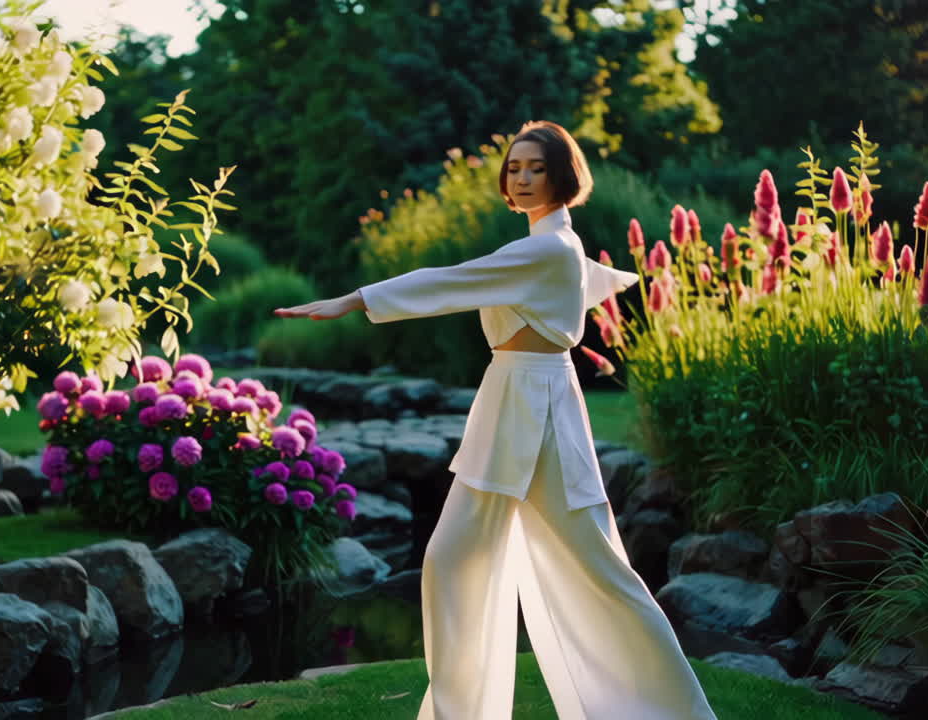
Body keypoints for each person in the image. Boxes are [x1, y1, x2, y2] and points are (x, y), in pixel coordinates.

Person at [274, 120, 717, 720]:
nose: (524, 177)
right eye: (515, 168)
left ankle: (671, 710)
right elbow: (576, 284)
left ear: (564, 176)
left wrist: (354, 300)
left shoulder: (546, 248)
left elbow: (453, 281)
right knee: (461, 560)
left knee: (593, 570)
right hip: (516, 399)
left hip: (536, 408)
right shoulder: (553, 246)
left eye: (537, 167)